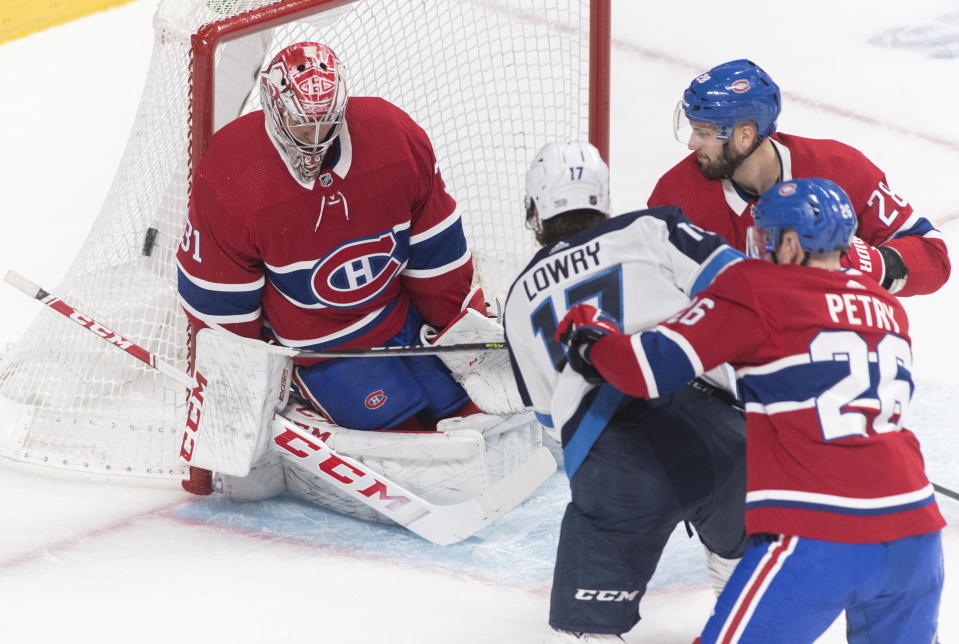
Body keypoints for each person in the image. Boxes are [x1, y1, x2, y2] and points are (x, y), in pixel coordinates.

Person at [558, 177, 945, 643]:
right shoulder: (886, 306)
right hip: (916, 533)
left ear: (787, 242)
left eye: (765, 234)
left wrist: (592, 338)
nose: (757, 243)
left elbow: (646, 369)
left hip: (819, 533)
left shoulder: (757, 287)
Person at [503, 141, 750, 642]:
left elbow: (550, 419)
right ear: (601, 199)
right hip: (716, 428)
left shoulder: (519, 296)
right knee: (745, 575)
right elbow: (741, 287)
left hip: (611, 454)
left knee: (591, 630)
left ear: (535, 211)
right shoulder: (653, 227)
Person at [176, 41, 482, 433]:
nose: (317, 139)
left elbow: (435, 246)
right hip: (322, 348)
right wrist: (241, 377)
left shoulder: (393, 136)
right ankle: (307, 390)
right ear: (273, 107)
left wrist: (455, 320)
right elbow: (220, 298)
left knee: (464, 407)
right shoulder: (233, 174)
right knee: (400, 428)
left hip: (402, 319)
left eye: (329, 121)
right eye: (304, 124)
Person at [649, 58, 950, 297]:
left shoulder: (840, 169)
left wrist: (858, 263)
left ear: (744, 136)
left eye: (704, 133)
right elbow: (650, 287)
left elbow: (933, 256)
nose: (692, 144)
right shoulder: (675, 195)